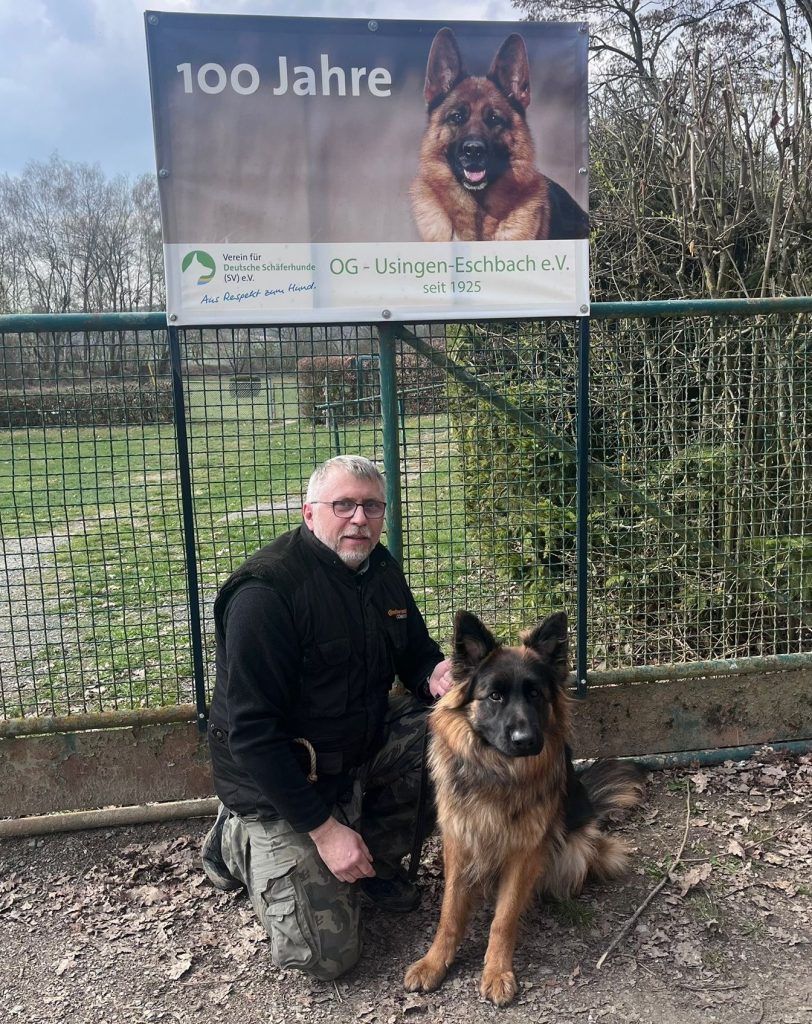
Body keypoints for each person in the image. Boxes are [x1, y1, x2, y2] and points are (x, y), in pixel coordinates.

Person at [201, 454, 453, 981]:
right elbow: (252, 734)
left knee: (457, 733)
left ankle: (372, 858)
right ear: (309, 513)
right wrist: (322, 830)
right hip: (281, 778)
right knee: (324, 958)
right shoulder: (265, 594)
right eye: (344, 505)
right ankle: (235, 839)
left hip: (356, 751)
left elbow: (415, 651)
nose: (360, 519)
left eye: (372, 506)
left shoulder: (379, 569)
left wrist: (434, 674)